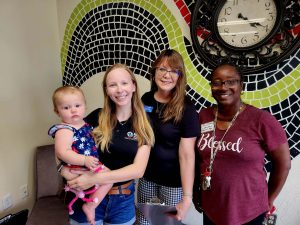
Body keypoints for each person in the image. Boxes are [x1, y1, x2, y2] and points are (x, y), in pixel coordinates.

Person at [193, 63, 291, 225]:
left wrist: (269, 199)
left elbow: (284, 164)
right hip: (212, 208)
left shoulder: (262, 120)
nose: (223, 87)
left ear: (241, 86)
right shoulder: (203, 116)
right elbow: (196, 159)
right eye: (217, 82)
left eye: (231, 81)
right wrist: (196, 193)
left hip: (249, 211)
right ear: (211, 88)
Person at [63, 64, 155, 225]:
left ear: (133, 85)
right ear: (106, 90)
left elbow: (138, 170)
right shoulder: (95, 117)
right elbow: (62, 141)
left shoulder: (144, 123)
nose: (119, 90)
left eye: (124, 83)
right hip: (86, 195)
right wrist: (63, 170)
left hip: (122, 201)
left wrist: (95, 177)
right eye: (113, 85)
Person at [136, 49, 200, 224]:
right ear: (154, 71)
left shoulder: (187, 108)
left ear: (180, 76)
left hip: (172, 183)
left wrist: (187, 197)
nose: (166, 75)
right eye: (162, 69)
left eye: (173, 71)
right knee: (144, 221)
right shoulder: (146, 100)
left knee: (168, 223)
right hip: (146, 177)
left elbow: (187, 155)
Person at [49, 86, 112, 225]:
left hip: (89, 165)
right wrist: (84, 160)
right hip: (78, 166)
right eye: (66, 107)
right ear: (57, 111)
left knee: (108, 178)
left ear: (85, 106)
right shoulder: (64, 129)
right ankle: (90, 206)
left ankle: (90, 205)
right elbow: (61, 152)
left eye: (77, 105)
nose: (73, 110)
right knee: (108, 179)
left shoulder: (85, 125)